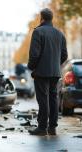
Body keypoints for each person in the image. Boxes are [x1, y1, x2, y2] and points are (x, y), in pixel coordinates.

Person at [27, 8, 68, 136]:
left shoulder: (38, 32)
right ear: (52, 18)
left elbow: (34, 54)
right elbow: (64, 55)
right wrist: (55, 64)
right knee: (53, 99)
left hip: (41, 72)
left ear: (41, 18)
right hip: (55, 72)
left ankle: (42, 128)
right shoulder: (60, 34)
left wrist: (31, 67)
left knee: (43, 99)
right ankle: (52, 128)